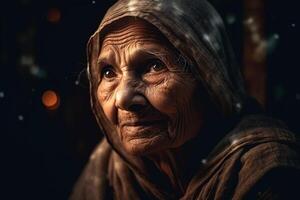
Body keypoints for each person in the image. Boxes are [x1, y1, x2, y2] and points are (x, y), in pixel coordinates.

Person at [70, 0, 300, 199]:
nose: (123, 98)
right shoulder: (113, 166)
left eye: (153, 66)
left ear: (209, 77)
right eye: (108, 72)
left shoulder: (264, 171)